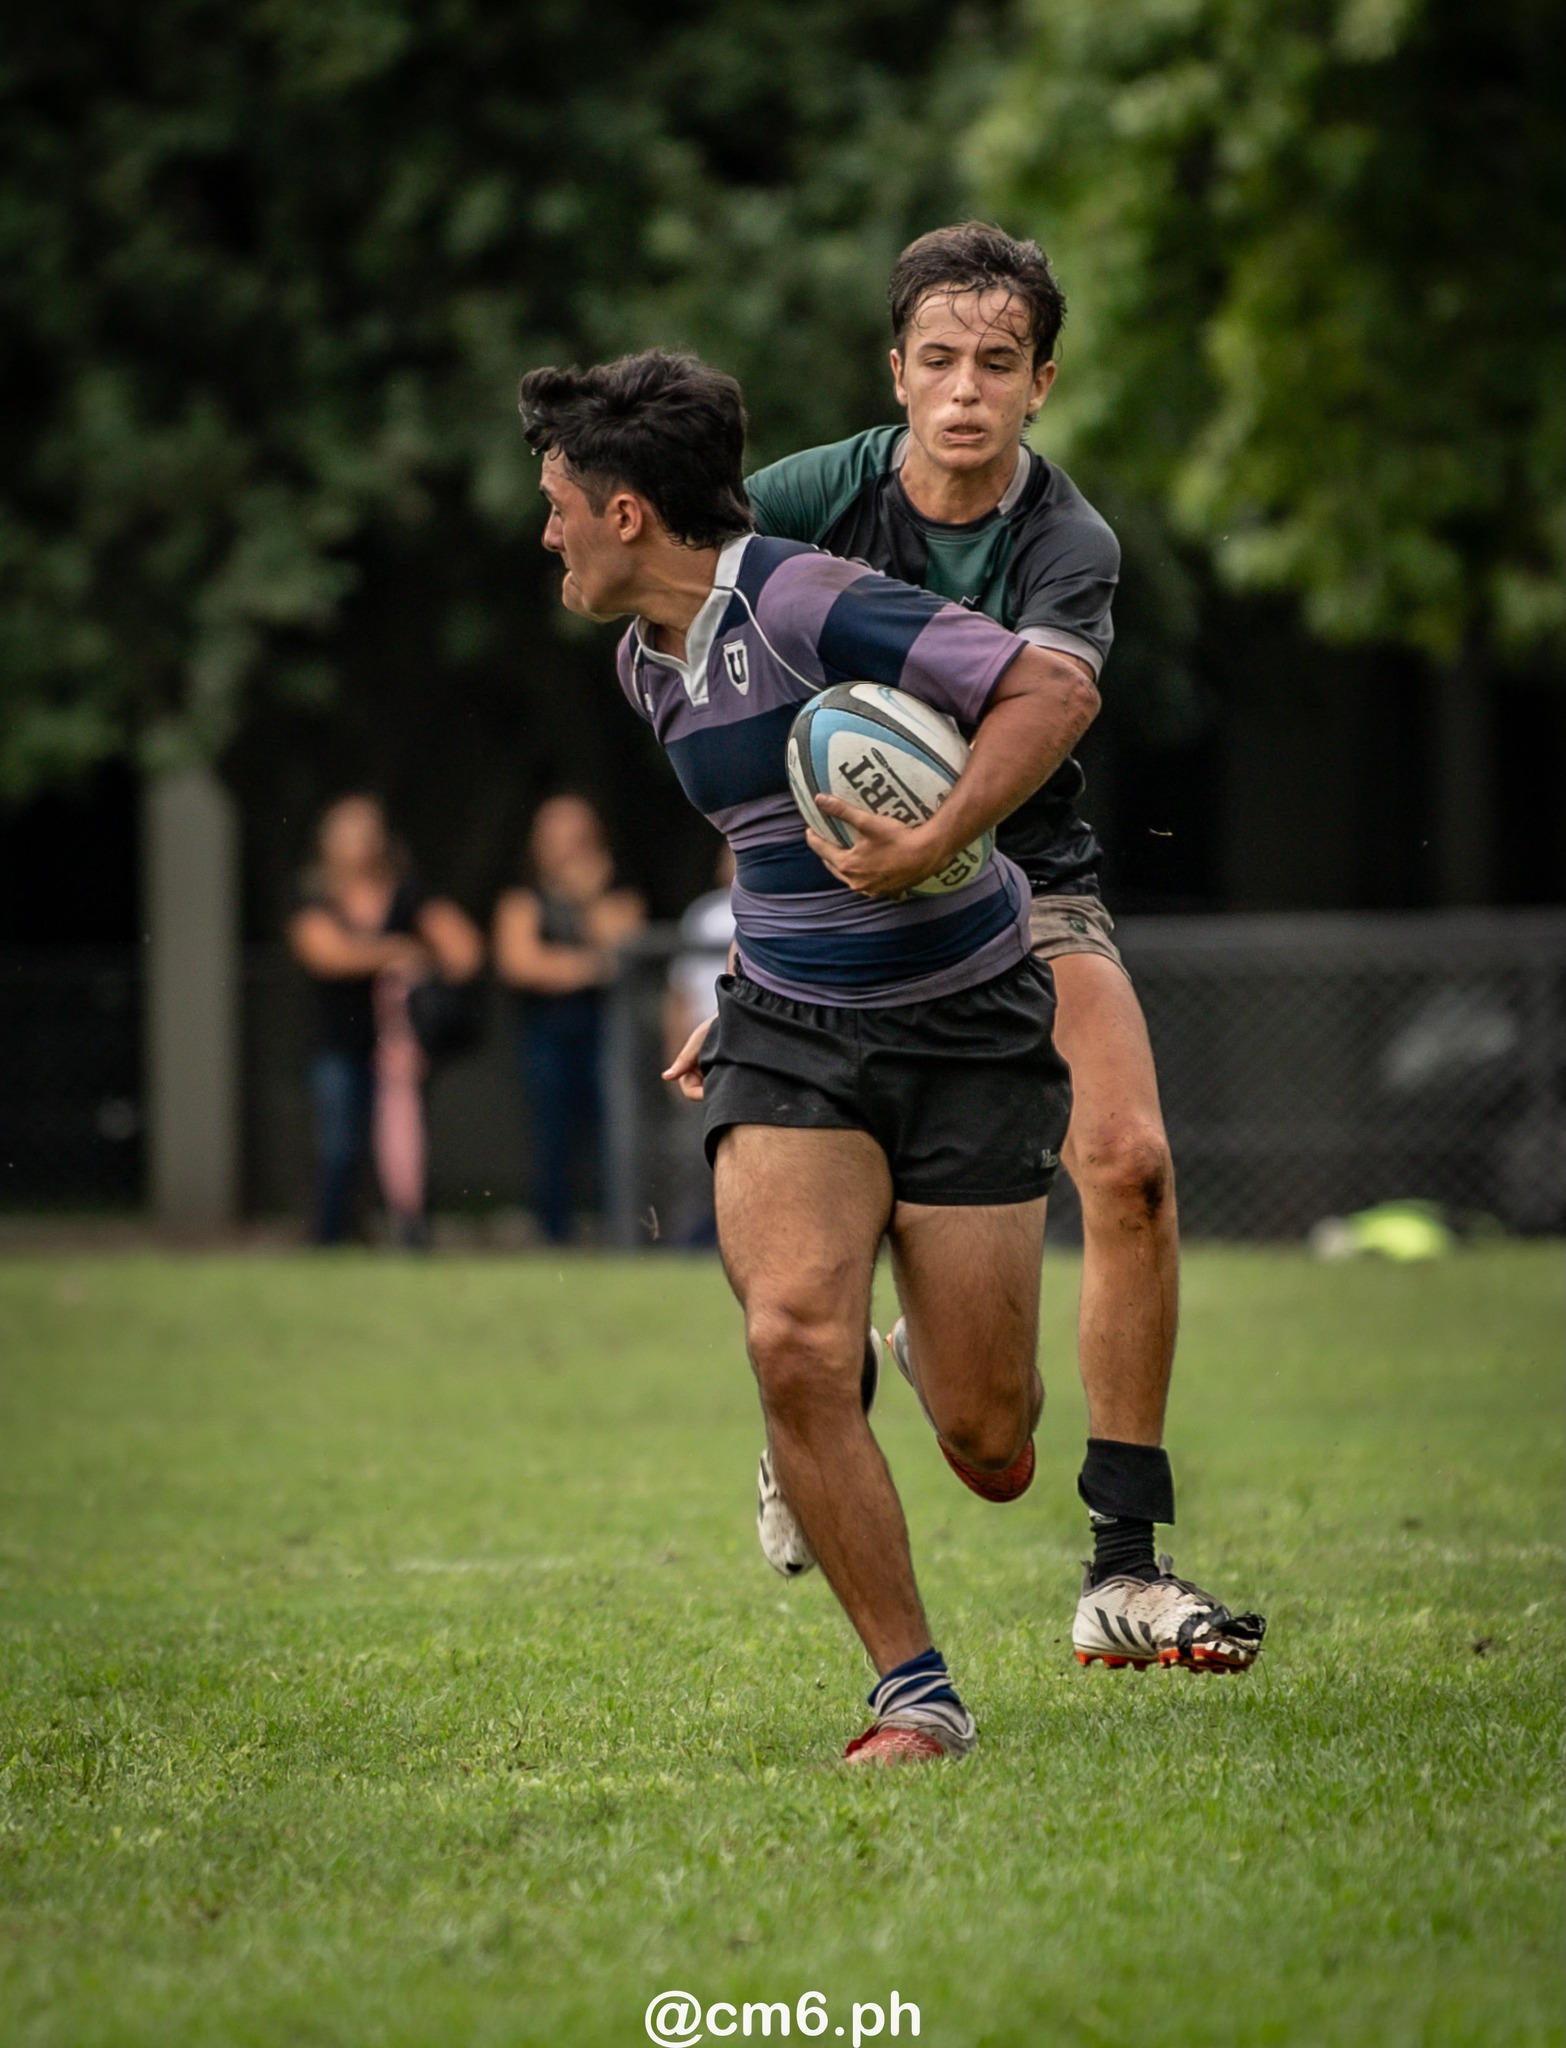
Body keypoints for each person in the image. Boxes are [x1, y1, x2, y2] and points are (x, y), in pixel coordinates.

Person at [521, 347, 1095, 1764]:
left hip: (966, 1018)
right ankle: (914, 1692)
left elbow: (1048, 690)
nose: (547, 533)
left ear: (626, 514)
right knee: (787, 1337)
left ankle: (909, 1359)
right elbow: (773, 842)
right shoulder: (643, 665)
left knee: (993, 1443)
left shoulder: (798, 598)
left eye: (557, 506)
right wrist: (741, 990)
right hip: (788, 1027)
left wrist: (940, 833)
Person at [744, 221, 1265, 1675]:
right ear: (894, 372)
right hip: (843, 884)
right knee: (811, 1180)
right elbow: (697, 636)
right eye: (938, 360)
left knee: (1132, 1162)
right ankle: (814, 1394)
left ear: (1041, 382)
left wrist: (936, 838)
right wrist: (763, 915)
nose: (964, 390)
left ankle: (1125, 1568)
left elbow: (1047, 718)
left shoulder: (1067, 540)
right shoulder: (805, 498)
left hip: (1021, 871)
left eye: (996, 362)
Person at [288, 795, 483, 1247]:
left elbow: (465, 952)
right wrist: (401, 951)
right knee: (339, 1145)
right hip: (339, 1043)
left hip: (400, 1047)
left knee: (405, 1144)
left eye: (368, 833)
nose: (360, 844)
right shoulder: (316, 900)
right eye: (349, 834)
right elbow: (327, 955)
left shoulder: (410, 896)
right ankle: (331, 1237)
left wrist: (422, 967)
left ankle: (411, 1235)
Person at [493, 796, 645, 1244]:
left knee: (616, 1133)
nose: (568, 848)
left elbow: (623, 948)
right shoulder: (522, 900)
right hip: (547, 1033)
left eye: (578, 837)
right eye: (557, 837)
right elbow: (521, 965)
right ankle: (554, 1233)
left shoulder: (619, 895)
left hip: (609, 1032)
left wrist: (588, 898)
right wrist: (591, 967)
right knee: (552, 1136)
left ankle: (621, 1233)